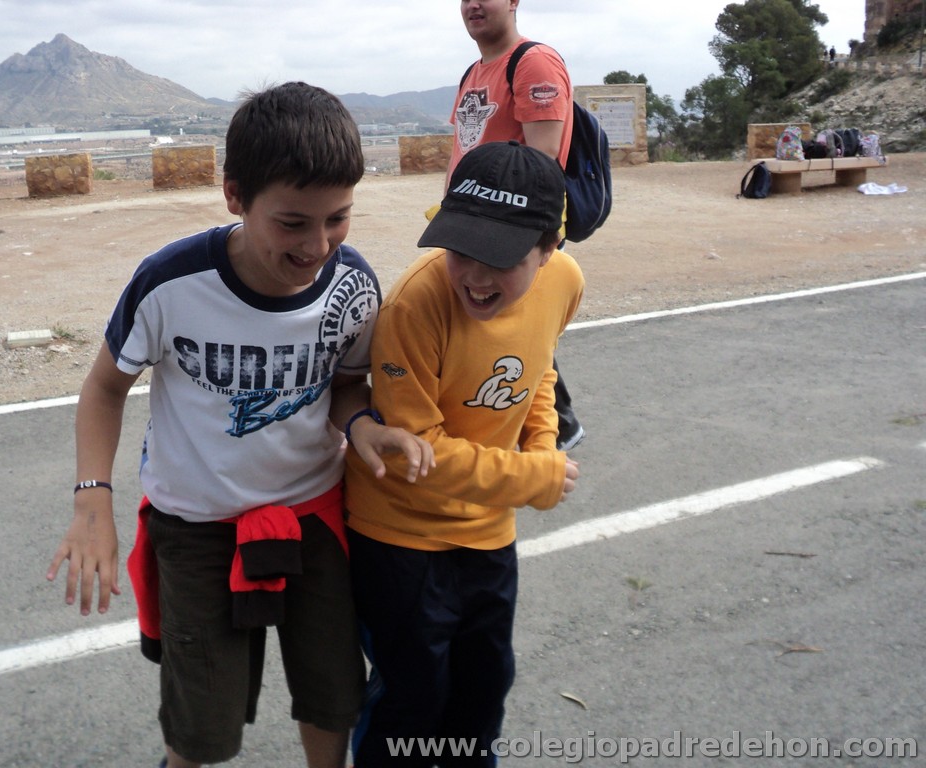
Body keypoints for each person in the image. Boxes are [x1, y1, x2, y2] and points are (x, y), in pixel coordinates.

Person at [46, 81, 434, 768]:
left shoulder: (353, 287)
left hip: (314, 518)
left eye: (338, 219)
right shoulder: (169, 284)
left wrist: (364, 425)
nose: (318, 245)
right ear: (234, 197)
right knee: (202, 727)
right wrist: (92, 500)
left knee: (334, 694)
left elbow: (345, 383)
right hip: (196, 528)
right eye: (292, 223)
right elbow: (105, 387)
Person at [345, 140, 584, 766]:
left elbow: (537, 374)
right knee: (412, 702)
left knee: (483, 690)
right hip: (399, 536)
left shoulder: (565, 283)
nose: (474, 276)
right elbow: (417, 455)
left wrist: (541, 444)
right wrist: (534, 479)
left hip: (486, 535)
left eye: (498, 258)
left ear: (548, 249)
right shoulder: (413, 306)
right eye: (459, 251)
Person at [448, 0, 585, 452]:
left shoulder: (534, 63)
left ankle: (555, 429)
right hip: (473, 222)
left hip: (511, 227)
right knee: (498, 326)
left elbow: (541, 160)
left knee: (515, 327)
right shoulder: (475, 71)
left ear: (512, 2)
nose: (471, 5)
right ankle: (539, 427)